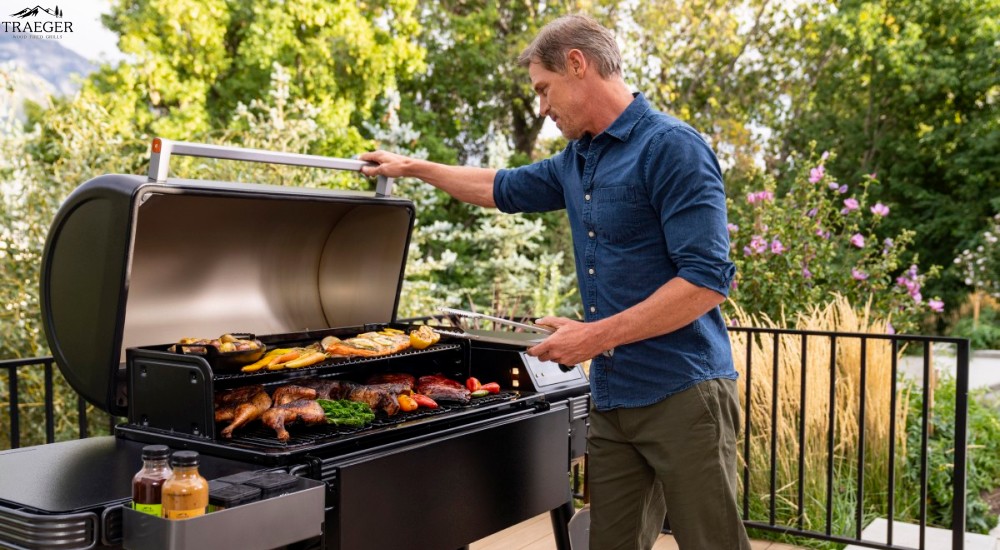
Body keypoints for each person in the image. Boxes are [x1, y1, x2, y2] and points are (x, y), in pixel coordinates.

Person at [360, 13, 749, 550]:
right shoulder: (577, 160)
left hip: (685, 393)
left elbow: (706, 281)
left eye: (544, 90)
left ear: (577, 64)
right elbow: (498, 188)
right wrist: (412, 168)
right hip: (614, 399)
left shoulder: (672, 148)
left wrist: (594, 336)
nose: (541, 107)